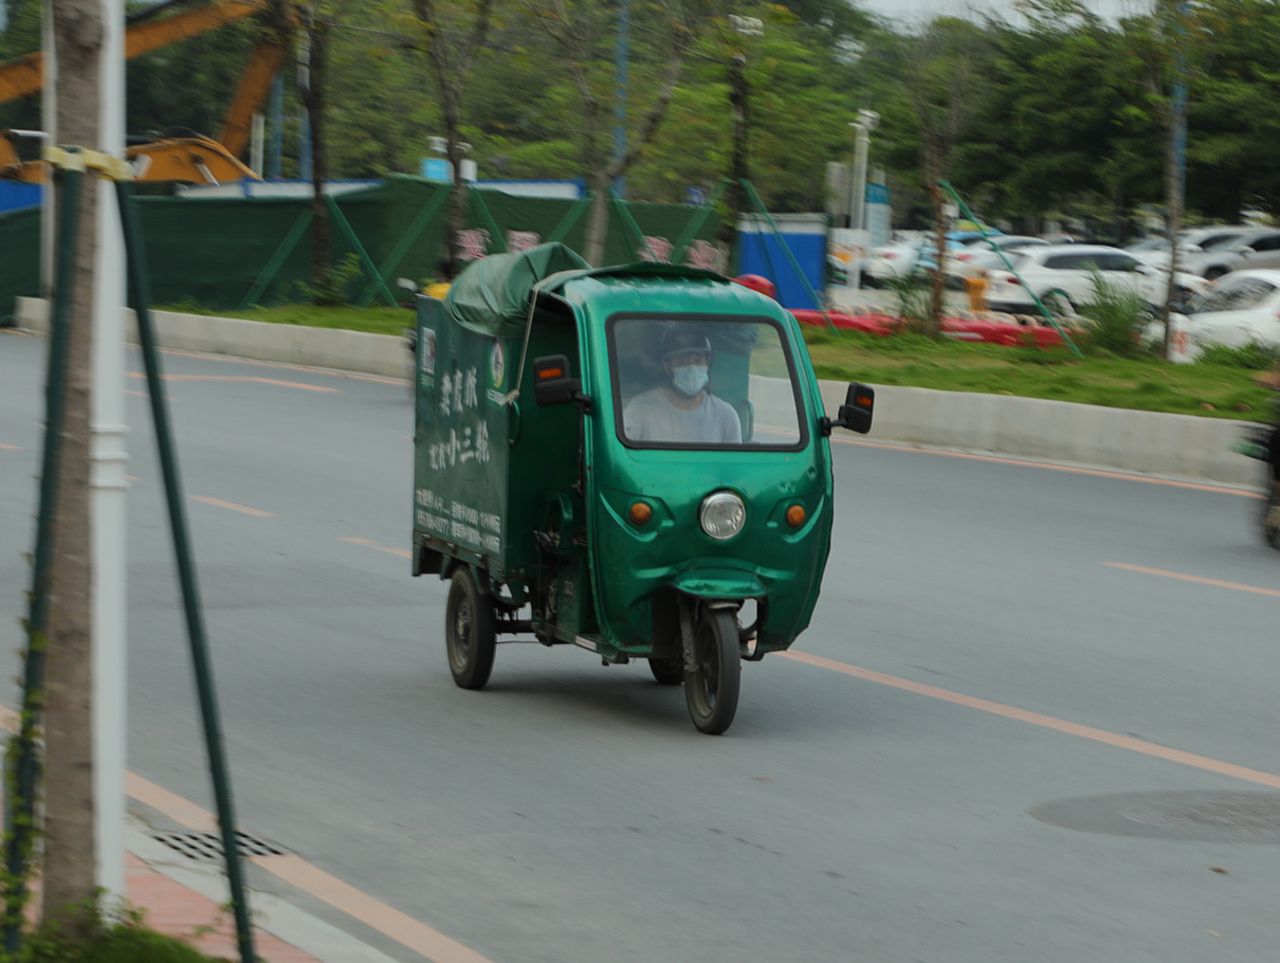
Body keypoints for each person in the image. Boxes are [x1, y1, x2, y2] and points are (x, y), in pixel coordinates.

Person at [623, 328, 742, 444]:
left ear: (707, 364)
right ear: (667, 366)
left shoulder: (725, 415)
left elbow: (733, 463)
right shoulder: (640, 409)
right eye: (682, 362)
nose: (691, 368)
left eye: (698, 361)